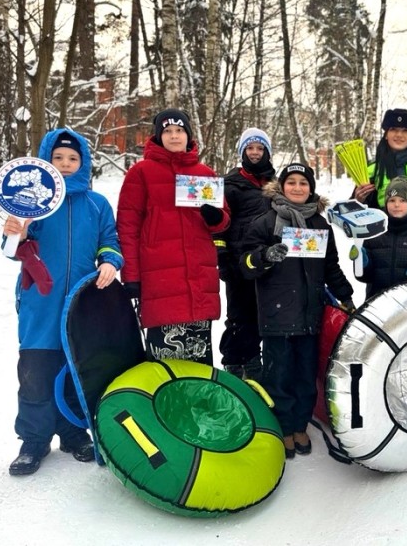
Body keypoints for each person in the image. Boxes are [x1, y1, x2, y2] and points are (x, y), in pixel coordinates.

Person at [2, 128, 122, 476]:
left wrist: (109, 262)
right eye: (58, 158)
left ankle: (72, 433)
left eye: (73, 159)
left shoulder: (97, 204)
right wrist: (17, 232)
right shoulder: (32, 201)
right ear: (46, 161)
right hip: (40, 301)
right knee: (36, 371)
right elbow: (11, 250)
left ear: (84, 164)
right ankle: (34, 440)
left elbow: (109, 241)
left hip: (82, 304)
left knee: (75, 369)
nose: (66, 165)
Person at [238, 163, 355, 459]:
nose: (298, 188)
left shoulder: (319, 224)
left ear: (311, 188)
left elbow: (331, 267)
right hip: (276, 316)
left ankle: (300, 425)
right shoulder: (265, 223)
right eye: (292, 182)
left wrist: (346, 296)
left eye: (304, 183)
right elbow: (245, 265)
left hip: (309, 315)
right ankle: (283, 426)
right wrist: (264, 256)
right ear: (282, 186)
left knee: (305, 375)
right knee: (279, 375)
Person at [117, 108, 230, 365]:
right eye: (167, 131)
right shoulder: (141, 173)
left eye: (179, 131)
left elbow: (223, 221)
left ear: (188, 135)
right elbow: (128, 227)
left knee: (199, 363)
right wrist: (131, 277)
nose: (174, 136)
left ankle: (200, 406)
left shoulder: (204, 174)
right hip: (160, 280)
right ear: (158, 136)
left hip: (198, 281)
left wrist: (216, 218)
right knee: (164, 366)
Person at [214, 127, 275, 380]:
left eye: (260, 148)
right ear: (242, 152)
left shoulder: (275, 184)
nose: (254, 153)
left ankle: (255, 364)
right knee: (240, 315)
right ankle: (235, 364)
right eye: (250, 148)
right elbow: (218, 223)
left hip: (268, 260)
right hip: (238, 262)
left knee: (264, 313)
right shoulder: (230, 184)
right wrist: (222, 255)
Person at [350, 175, 407, 298]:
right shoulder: (374, 234)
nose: (397, 205)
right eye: (392, 200)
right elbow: (364, 276)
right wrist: (362, 261)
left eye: (402, 200)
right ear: (386, 204)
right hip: (378, 302)